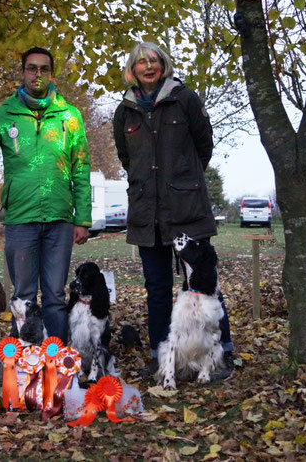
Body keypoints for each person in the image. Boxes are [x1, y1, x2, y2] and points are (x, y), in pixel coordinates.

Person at [113, 42, 234, 378]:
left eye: (154, 60)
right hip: (145, 214)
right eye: (140, 62)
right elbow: (128, 158)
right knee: (157, 287)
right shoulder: (125, 110)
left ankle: (220, 355)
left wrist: (181, 178)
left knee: (203, 284)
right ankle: (160, 356)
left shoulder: (186, 99)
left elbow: (203, 147)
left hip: (187, 209)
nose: (148, 66)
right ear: (133, 69)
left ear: (163, 64)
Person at [0, 47, 92, 343]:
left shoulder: (70, 116)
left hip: (60, 220)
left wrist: (84, 218)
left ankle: (59, 367)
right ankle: (22, 367)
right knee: (23, 295)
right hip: (21, 220)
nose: (37, 74)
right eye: (31, 68)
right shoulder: (4, 114)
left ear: (51, 73)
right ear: (22, 72)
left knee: (54, 295)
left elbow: (81, 168)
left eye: (43, 68)